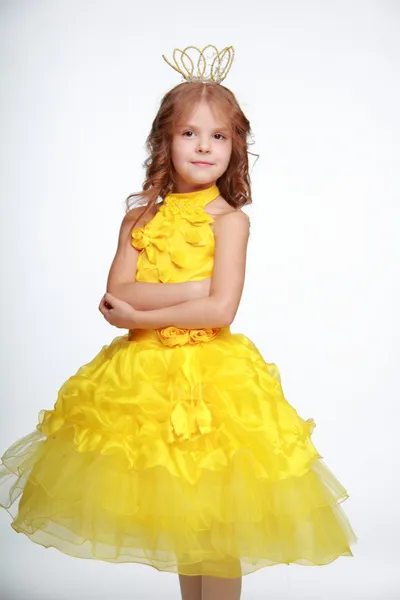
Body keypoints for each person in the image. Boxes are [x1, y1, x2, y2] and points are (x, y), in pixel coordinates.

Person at [0, 45, 357, 600]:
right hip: (141, 385)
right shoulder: (138, 217)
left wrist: (147, 311)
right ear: (164, 141)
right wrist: (191, 290)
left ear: (236, 147)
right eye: (190, 133)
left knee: (216, 525)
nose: (204, 146)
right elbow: (116, 293)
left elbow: (220, 310)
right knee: (184, 523)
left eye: (219, 136)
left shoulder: (230, 222)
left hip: (212, 387)